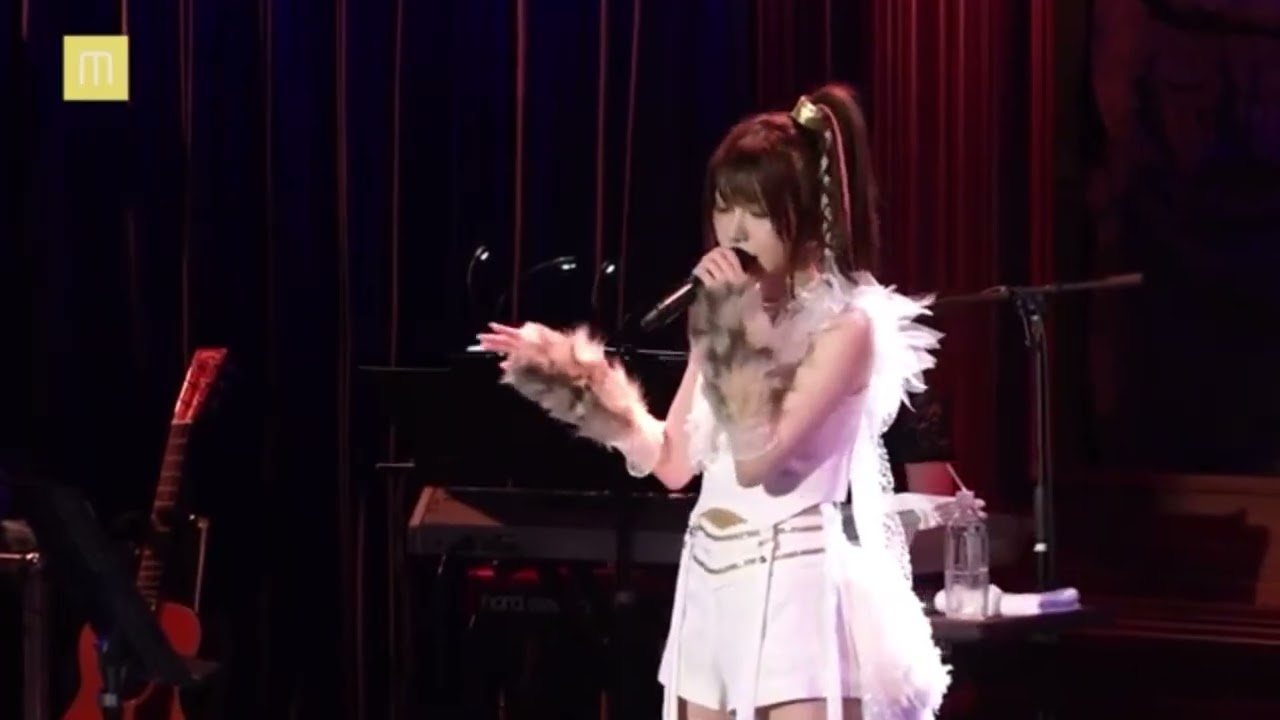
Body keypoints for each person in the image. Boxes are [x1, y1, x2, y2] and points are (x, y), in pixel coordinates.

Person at [477, 83, 952, 720]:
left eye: (756, 211)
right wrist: (577, 381)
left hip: (794, 587)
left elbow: (760, 459)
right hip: (709, 577)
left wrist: (730, 330)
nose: (735, 231)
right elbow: (674, 461)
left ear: (806, 217)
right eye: (725, 208)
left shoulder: (846, 329)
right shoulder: (725, 327)